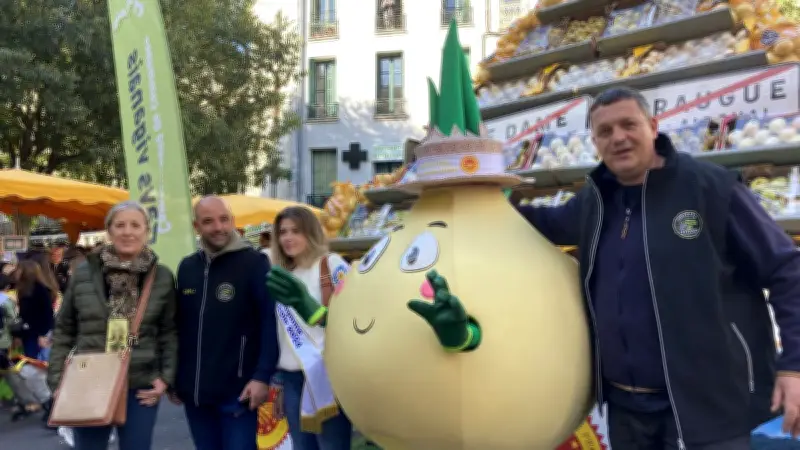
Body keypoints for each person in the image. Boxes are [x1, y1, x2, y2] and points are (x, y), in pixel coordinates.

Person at [516, 86, 800, 450]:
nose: (618, 138)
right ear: (595, 142)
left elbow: (786, 270)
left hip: (711, 408)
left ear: (653, 126)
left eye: (628, 124)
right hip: (626, 410)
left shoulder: (710, 188)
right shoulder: (595, 200)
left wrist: (793, 364)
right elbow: (547, 223)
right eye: (605, 132)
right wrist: (479, 198)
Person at [47, 200, 179, 450]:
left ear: (146, 232)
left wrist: (165, 378)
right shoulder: (85, 273)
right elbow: (64, 329)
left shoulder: (161, 276)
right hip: (89, 381)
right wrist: (57, 381)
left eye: (135, 225)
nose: (127, 231)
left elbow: (169, 331)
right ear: (109, 231)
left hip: (141, 382)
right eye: (120, 225)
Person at [174, 196, 279, 450]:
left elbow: (269, 323)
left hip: (239, 392)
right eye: (208, 221)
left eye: (224, 219)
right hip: (196, 395)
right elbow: (180, 327)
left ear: (232, 221)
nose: (218, 227)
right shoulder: (187, 267)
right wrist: (177, 377)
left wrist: (262, 377)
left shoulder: (254, 263)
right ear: (196, 226)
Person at [267, 206, 353, 450]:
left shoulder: (331, 265)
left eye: (296, 231)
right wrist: (279, 382)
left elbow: (350, 316)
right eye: (282, 232)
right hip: (292, 379)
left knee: (331, 445)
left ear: (311, 233)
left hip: (326, 375)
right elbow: (282, 335)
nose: (288, 238)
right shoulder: (283, 275)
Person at [14, 260, 55, 359]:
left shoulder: (40, 290)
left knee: (36, 359)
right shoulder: (24, 290)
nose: (16, 272)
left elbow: (47, 313)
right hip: (29, 331)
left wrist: (43, 334)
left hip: (39, 331)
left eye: (18, 269)